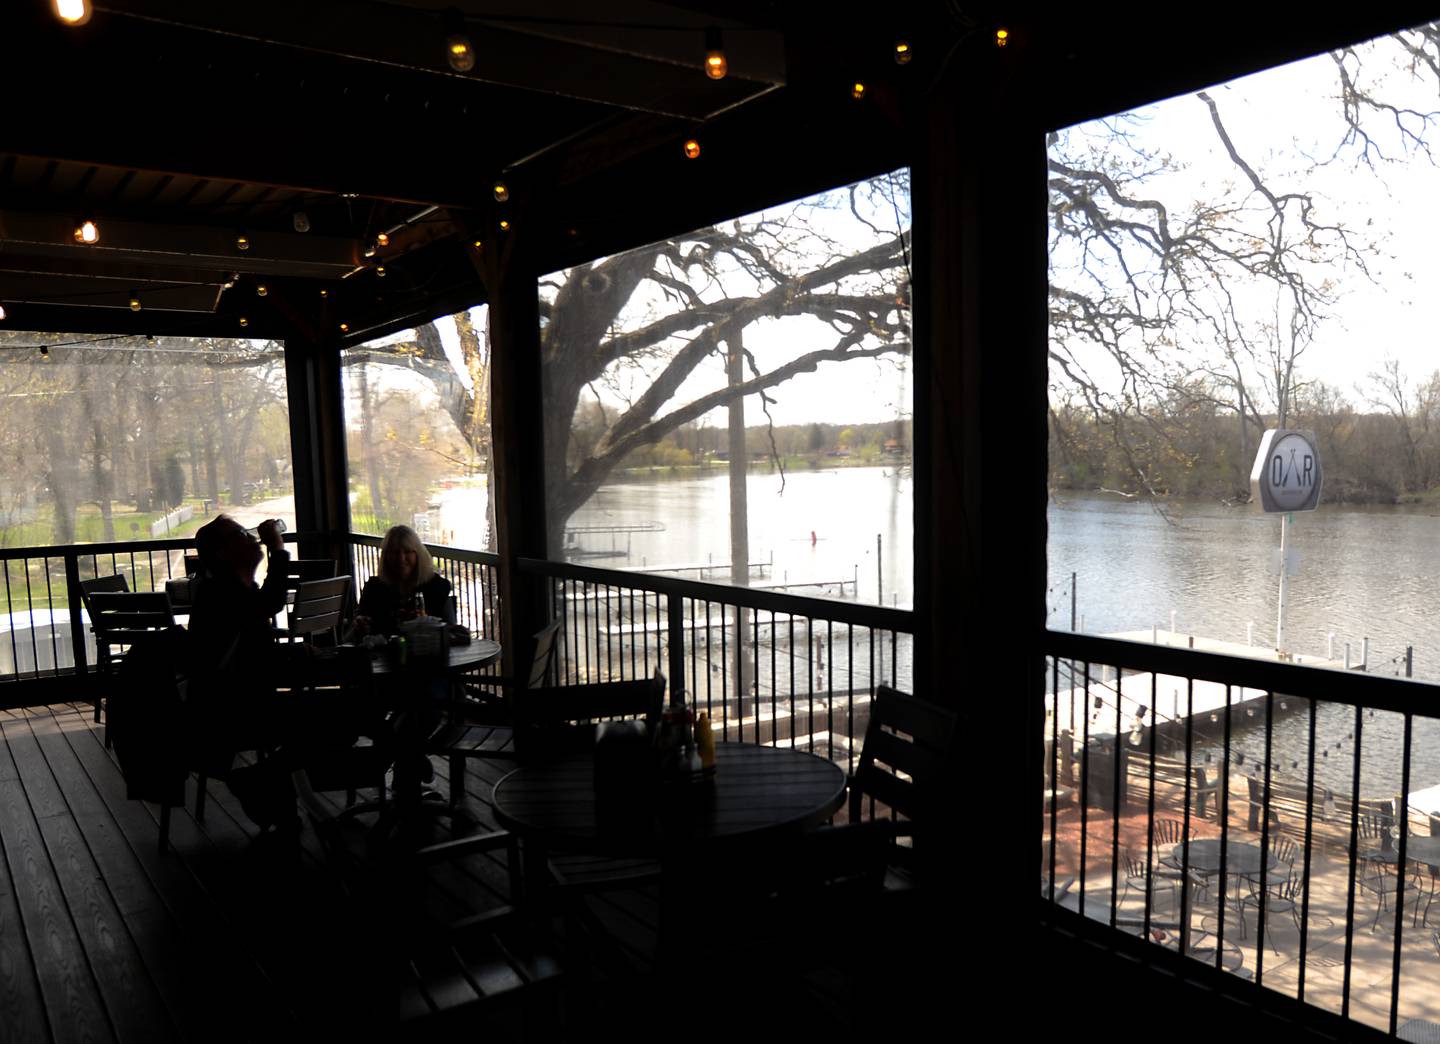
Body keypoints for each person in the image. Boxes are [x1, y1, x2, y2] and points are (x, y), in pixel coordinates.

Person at [349, 525, 454, 638]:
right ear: (386, 556)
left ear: (418, 555)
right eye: (394, 552)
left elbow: (449, 629)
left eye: (407, 552)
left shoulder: (437, 587)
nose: (401, 558)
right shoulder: (374, 588)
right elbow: (360, 622)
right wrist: (360, 624)